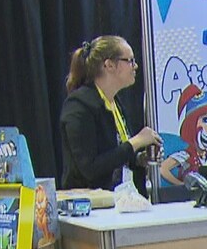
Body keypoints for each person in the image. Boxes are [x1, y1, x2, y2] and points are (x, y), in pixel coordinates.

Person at [59, 35, 161, 190]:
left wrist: (139, 159)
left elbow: (115, 155)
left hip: (121, 200)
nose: (136, 66)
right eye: (130, 61)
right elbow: (90, 168)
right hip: (91, 207)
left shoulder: (115, 102)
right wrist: (137, 141)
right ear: (109, 65)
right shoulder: (79, 106)